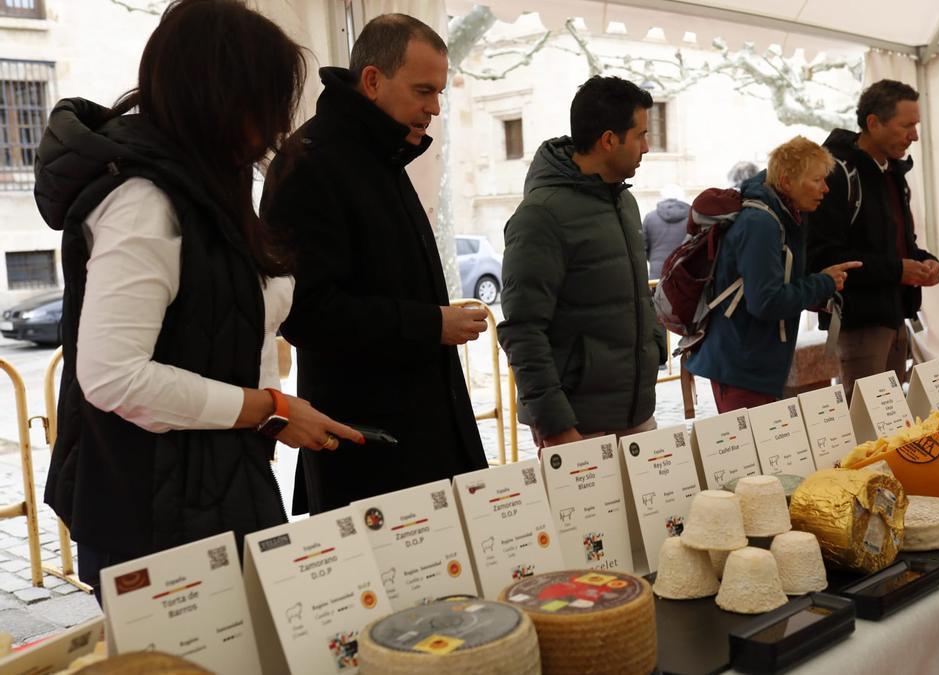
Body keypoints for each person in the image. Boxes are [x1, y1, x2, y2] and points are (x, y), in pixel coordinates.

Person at [33, 0, 362, 597]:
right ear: (218, 94)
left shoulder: (212, 181)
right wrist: (265, 408)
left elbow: (228, 330)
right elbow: (112, 376)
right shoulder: (143, 201)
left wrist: (272, 415)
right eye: (263, 100)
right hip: (154, 517)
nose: (273, 124)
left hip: (215, 489)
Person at [261, 14, 487, 514]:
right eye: (423, 91)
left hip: (419, 438)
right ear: (372, 81)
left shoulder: (380, 154)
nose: (434, 108)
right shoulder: (311, 163)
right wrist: (433, 323)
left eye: (440, 94)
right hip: (369, 450)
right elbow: (308, 313)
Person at [499, 76, 665, 448]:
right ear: (609, 140)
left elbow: (635, 294)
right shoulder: (540, 216)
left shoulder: (624, 202)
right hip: (577, 427)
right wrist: (555, 424)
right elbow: (523, 330)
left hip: (636, 414)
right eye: (639, 135)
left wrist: (654, 345)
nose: (647, 147)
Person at [685, 137, 861, 413]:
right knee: (753, 452)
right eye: (817, 180)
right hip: (741, 364)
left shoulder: (787, 216)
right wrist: (822, 283)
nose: (826, 189)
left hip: (755, 361)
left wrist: (819, 291)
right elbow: (765, 301)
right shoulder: (762, 223)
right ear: (787, 181)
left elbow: (775, 285)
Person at [807, 79, 939, 399]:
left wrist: (926, 262)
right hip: (858, 323)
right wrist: (898, 270)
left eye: (916, 125)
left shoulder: (893, 174)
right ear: (873, 123)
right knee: (866, 426)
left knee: (891, 420)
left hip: (896, 317)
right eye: (906, 125)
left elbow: (902, 245)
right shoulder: (838, 174)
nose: (914, 135)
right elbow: (825, 258)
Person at [643, 185, 690, 281]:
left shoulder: (650, 217)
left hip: (657, 270)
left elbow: (643, 247)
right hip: (684, 268)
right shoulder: (691, 218)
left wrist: (653, 259)